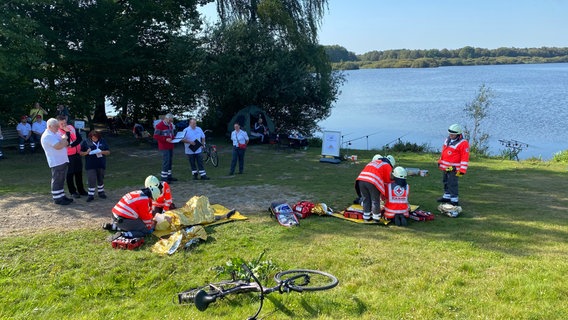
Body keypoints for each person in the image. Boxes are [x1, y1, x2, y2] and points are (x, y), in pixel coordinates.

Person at [40, 118, 73, 205]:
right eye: (56, 126)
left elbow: (65, 143)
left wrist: (63, 140)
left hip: (62, 159)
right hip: (56, 161)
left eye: (58, 126)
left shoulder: (55, 133)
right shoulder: (48, 136)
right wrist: (64, 140)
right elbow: (58, 146)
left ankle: (62, 196)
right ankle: (57, 198)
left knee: (61, 179)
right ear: (50, 126)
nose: (58, 128)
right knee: (57, 179)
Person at [354, 154, 396, 221]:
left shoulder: (373, 162)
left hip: (360, 180)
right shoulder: (387, 166)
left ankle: (366, 216)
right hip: (372, 181)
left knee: (366, 199)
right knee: (375, 200)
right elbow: (387, 182)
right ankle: (376, 217)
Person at [437, 123, 470, 206]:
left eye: (453, 134)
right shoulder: (448, 140)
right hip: (446, 167)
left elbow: (465, 157)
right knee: (445, 181)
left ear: (458, 134)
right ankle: (447, 196)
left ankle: (454, 199)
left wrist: (462, 170)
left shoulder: (463, 143)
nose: (451, 135)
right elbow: (444, 152)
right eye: (450, 133)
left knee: (452, 182)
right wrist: (440, 162)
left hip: (454, 168)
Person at [58, 115, 87, 198]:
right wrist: (67, 132)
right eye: (61, 124)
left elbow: (79, 138)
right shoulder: (58, 132)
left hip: (77, 152)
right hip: (68, 155)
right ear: (58, 124)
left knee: (78, 172)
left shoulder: (71, 127)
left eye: (65, 123)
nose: (64, 125)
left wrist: (72, 145)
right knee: (70, 173)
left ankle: (81, 190)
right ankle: (73, 191)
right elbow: (66, 142)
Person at [79, 130, 110, 202]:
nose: (94, 139)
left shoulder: (102, 141)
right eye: (93, 138)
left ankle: (101, 192)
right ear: (90, 137)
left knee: (100, 178)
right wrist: (87, 152)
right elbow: (80, 153)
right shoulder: (86, 142)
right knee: (91, 178)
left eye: (96, 138)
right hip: (90, 164)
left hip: (101, 163)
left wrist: (102, 152)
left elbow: (108, 152)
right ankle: (91, 195)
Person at [153, 113, 177, 182]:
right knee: (166, 161)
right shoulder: (159, 125)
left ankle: (169, 176)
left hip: (170, 145)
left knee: (170, 161)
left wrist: (175, 138)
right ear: (166, 119)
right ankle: (164, 178)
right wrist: (165, 139)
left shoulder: (170, 125)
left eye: (171, 121)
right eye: (169, 121)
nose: (170, 122)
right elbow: (155, 136)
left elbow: (171, 134)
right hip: (164, 146)